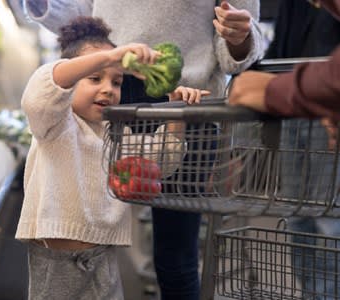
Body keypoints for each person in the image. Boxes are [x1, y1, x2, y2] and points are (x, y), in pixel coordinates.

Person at [23, 1, 265, 298]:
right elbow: (42, 90)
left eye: (116, 82)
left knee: (177, 257)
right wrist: (110, 56)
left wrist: (177, 105)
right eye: (95, 78)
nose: (108, 90)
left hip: (104, 258)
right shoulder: (54, 124)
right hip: (56, 262)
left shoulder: (115, 135)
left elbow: (162, 159)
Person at [230, 1, 340, 299]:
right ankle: (312, 293)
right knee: (297, 215)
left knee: (329, 219)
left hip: (319, 105)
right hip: (294, 109)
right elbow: (279, 47)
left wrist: (269, 89)